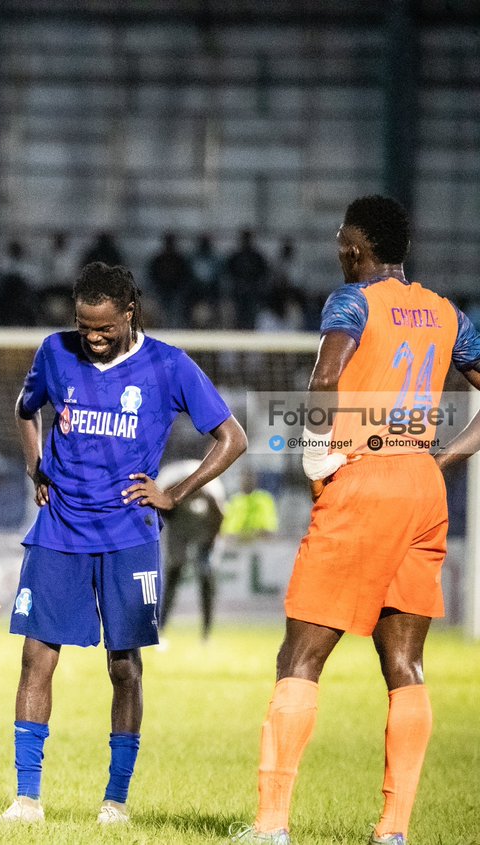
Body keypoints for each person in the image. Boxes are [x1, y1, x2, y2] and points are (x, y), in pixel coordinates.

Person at [230, 195, 480, 845]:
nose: (339, 247)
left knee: (302, 654)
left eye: (342, 237)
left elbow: (328, 373)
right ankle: (393, 831)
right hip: (422, 484)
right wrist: (446, 457)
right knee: (405, 660)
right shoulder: (448, 312)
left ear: (355, 248)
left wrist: (316, 451)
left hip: (363, 477)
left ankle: (271, 823)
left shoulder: (352, 301)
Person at [0, 261, 246, 825]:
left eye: (104, 327)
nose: (92, 337)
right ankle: (26, 799)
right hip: (60, 530)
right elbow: (24, 410)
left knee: (125, 666)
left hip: (128, 534)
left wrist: (176, 492)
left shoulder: (168, 365)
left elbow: (233, 438)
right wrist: (36, 467)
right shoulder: (55, 352)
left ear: (129, 314)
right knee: (36, 656)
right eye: (84, 326)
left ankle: (115, 801)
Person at [156, 458, 227, 639]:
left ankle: (206, 632)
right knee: (173, 571)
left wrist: (210, 543)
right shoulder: (168, 482)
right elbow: (158, 514)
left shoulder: (212, 493)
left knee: (206, 575)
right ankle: (160, 627)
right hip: (178, 526)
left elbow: (219, 518)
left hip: (202, 529)